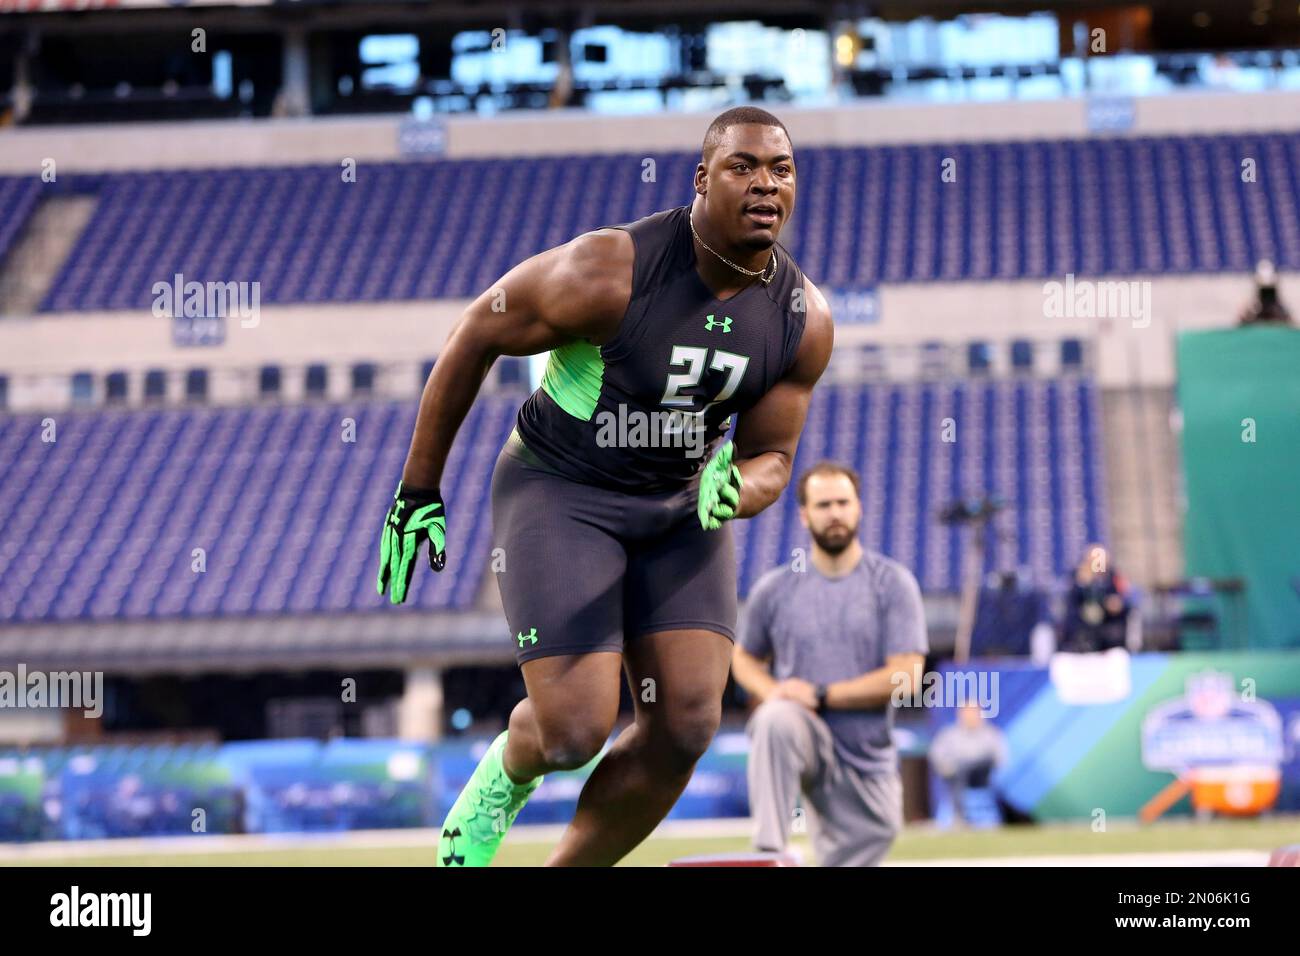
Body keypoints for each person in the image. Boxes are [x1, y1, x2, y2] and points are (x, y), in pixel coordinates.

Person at [376, 106, 834, 866]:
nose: (765, 184)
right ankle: (504, 774)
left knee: (686, 725)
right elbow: (477, 331)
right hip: (564, 493)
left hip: (683, 507)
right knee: (574, 730)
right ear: (701, 181)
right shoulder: (611, 269)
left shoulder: (802, 318)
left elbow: (773, 459)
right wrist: (418, 488)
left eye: (780, 170)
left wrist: (737, 492)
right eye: (742, 167)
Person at [731, 462, 927, 866]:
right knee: (775, 719)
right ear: (804, 515)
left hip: (866, 757)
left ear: (859, 509)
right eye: (823, 505)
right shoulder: (775, 589)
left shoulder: (891, 583)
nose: (834, 512)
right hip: (804, 737)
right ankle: (769, 854)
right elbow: (743, 658)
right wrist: (775, 693)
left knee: (870, 841)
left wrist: (822, 694)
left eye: (843, 502)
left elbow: (907, 676)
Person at [928, 702, 1008, 826]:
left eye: (974, 712)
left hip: (982, 776)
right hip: (957, 777)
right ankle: (959, 816)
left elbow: (1000, 758)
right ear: (960, 714)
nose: (971, 716)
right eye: (968, 712)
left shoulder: (990, 734)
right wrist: (949, 768)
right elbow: (938, 757)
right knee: (960, 770)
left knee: (976, 764)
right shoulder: (949, 734)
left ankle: (977, 818)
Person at [1060, 542, 1130, 653]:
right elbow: (1072, 602)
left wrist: (1116, 603)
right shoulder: (1076, 576)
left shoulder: (1113, 577)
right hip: (1082, 628)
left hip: (1107, 626)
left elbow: (1124, 599)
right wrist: (1083, 584)